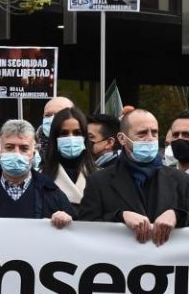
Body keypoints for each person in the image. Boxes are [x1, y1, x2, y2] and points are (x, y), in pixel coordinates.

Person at [79, 109, 189, 246]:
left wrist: (177, 215)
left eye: (154, 133)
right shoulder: (98, 181)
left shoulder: (181, 180)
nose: (150, 139)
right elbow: (84, 229)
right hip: (120, 264)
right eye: (142, 134)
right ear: (122, 139)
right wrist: (120, 216)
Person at [0, 119, 75, 227]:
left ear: (34, 154)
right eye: (9, 147)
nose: (16, 153)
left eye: (24, 148)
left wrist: (66, 219)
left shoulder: (53, 194)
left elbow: (76, 234)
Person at [41, 107, 96, 210]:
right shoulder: (40, 177)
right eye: (64, 133)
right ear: (55, 138)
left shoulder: (101, 176)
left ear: (85, 137)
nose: (71, 138)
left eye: (77, 133)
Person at [37, 96, 74, 160]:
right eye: (48, 115)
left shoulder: (80, 146)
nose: (52, 119)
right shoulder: (31, 148)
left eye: (59, 114)